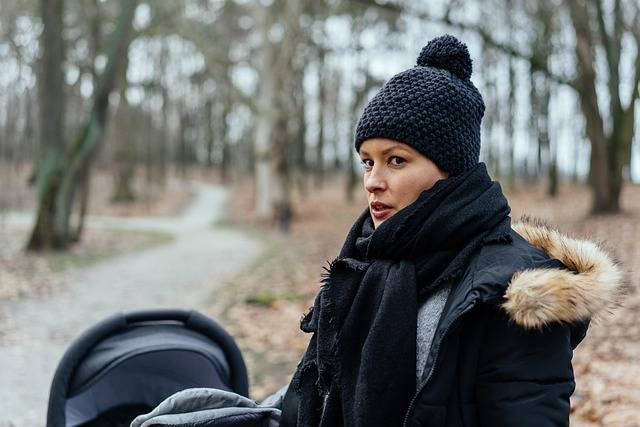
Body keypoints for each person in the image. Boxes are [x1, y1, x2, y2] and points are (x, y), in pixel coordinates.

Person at [278, 34, 624, 427]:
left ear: (450, 169)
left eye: (396, 160)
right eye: (367, 162)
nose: (373, 181)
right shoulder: (360, 265)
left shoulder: (514, 293)